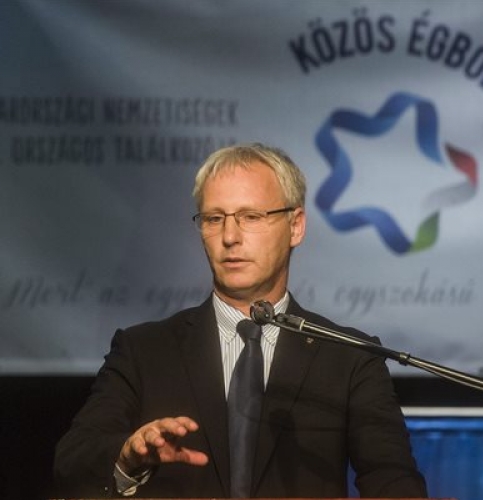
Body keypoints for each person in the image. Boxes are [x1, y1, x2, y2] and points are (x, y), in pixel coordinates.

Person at [53, 143, 428, 498]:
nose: (230, 236)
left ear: (295, 226)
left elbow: (394, 483)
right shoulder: (143, 352)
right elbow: (72, 463)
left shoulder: (350, 358)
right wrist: (126, 457)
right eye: (214, 219)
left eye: (251, 217)